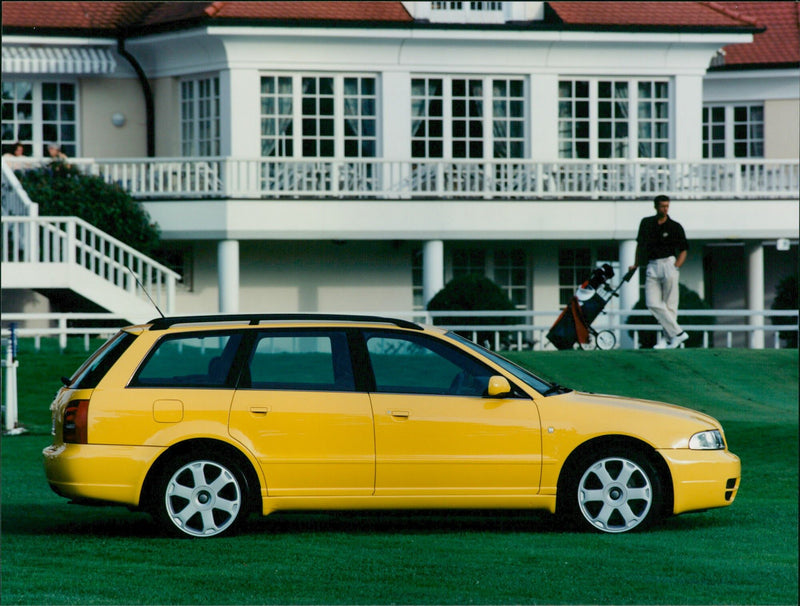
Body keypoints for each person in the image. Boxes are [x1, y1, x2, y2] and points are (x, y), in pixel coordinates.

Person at [629, 195, 689, 349]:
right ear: (656, 206)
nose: (665, 209)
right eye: (662, 206)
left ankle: (669, 339)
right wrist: (635, 264)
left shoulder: (675, 226)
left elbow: (684, 250)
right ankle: (678, 333)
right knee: (652, 303)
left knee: (670, 305)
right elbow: (639, 246)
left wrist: (676, 266)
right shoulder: (646, 223)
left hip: (669, 264)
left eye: (667, 206)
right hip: (652, 265)